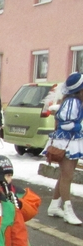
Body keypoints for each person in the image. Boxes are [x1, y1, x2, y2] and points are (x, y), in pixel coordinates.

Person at [44, 72, 83, 225]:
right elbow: (66, 124)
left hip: (70, 141)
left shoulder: (74, 101)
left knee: (64, 175)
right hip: (66, 142)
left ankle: (54, 206)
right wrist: (79, 126)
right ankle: (68, 210)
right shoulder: (73, 102)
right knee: (67, 176)